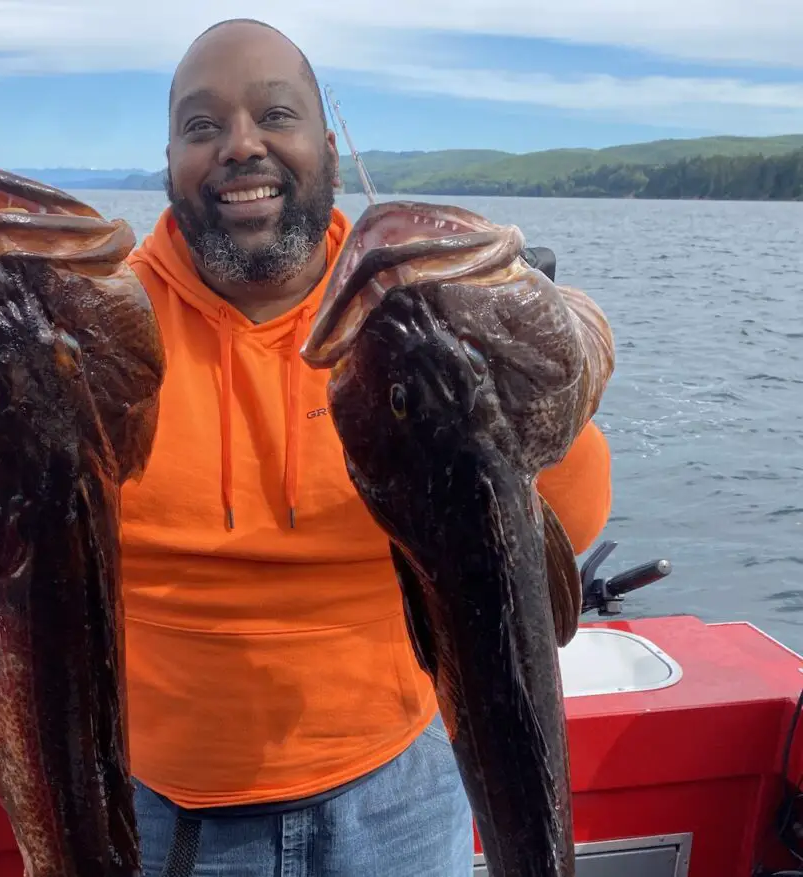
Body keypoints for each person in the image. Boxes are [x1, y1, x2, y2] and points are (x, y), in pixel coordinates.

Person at [118, 17, 613, 877]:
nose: (241, 146)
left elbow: (565, 521)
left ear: (330, 151)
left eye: (276, 115)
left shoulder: (423, 305)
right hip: (171, 813)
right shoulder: (104, 332)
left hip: (404, 792)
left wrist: (546, 380)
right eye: (203, 126)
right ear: (169, 163)